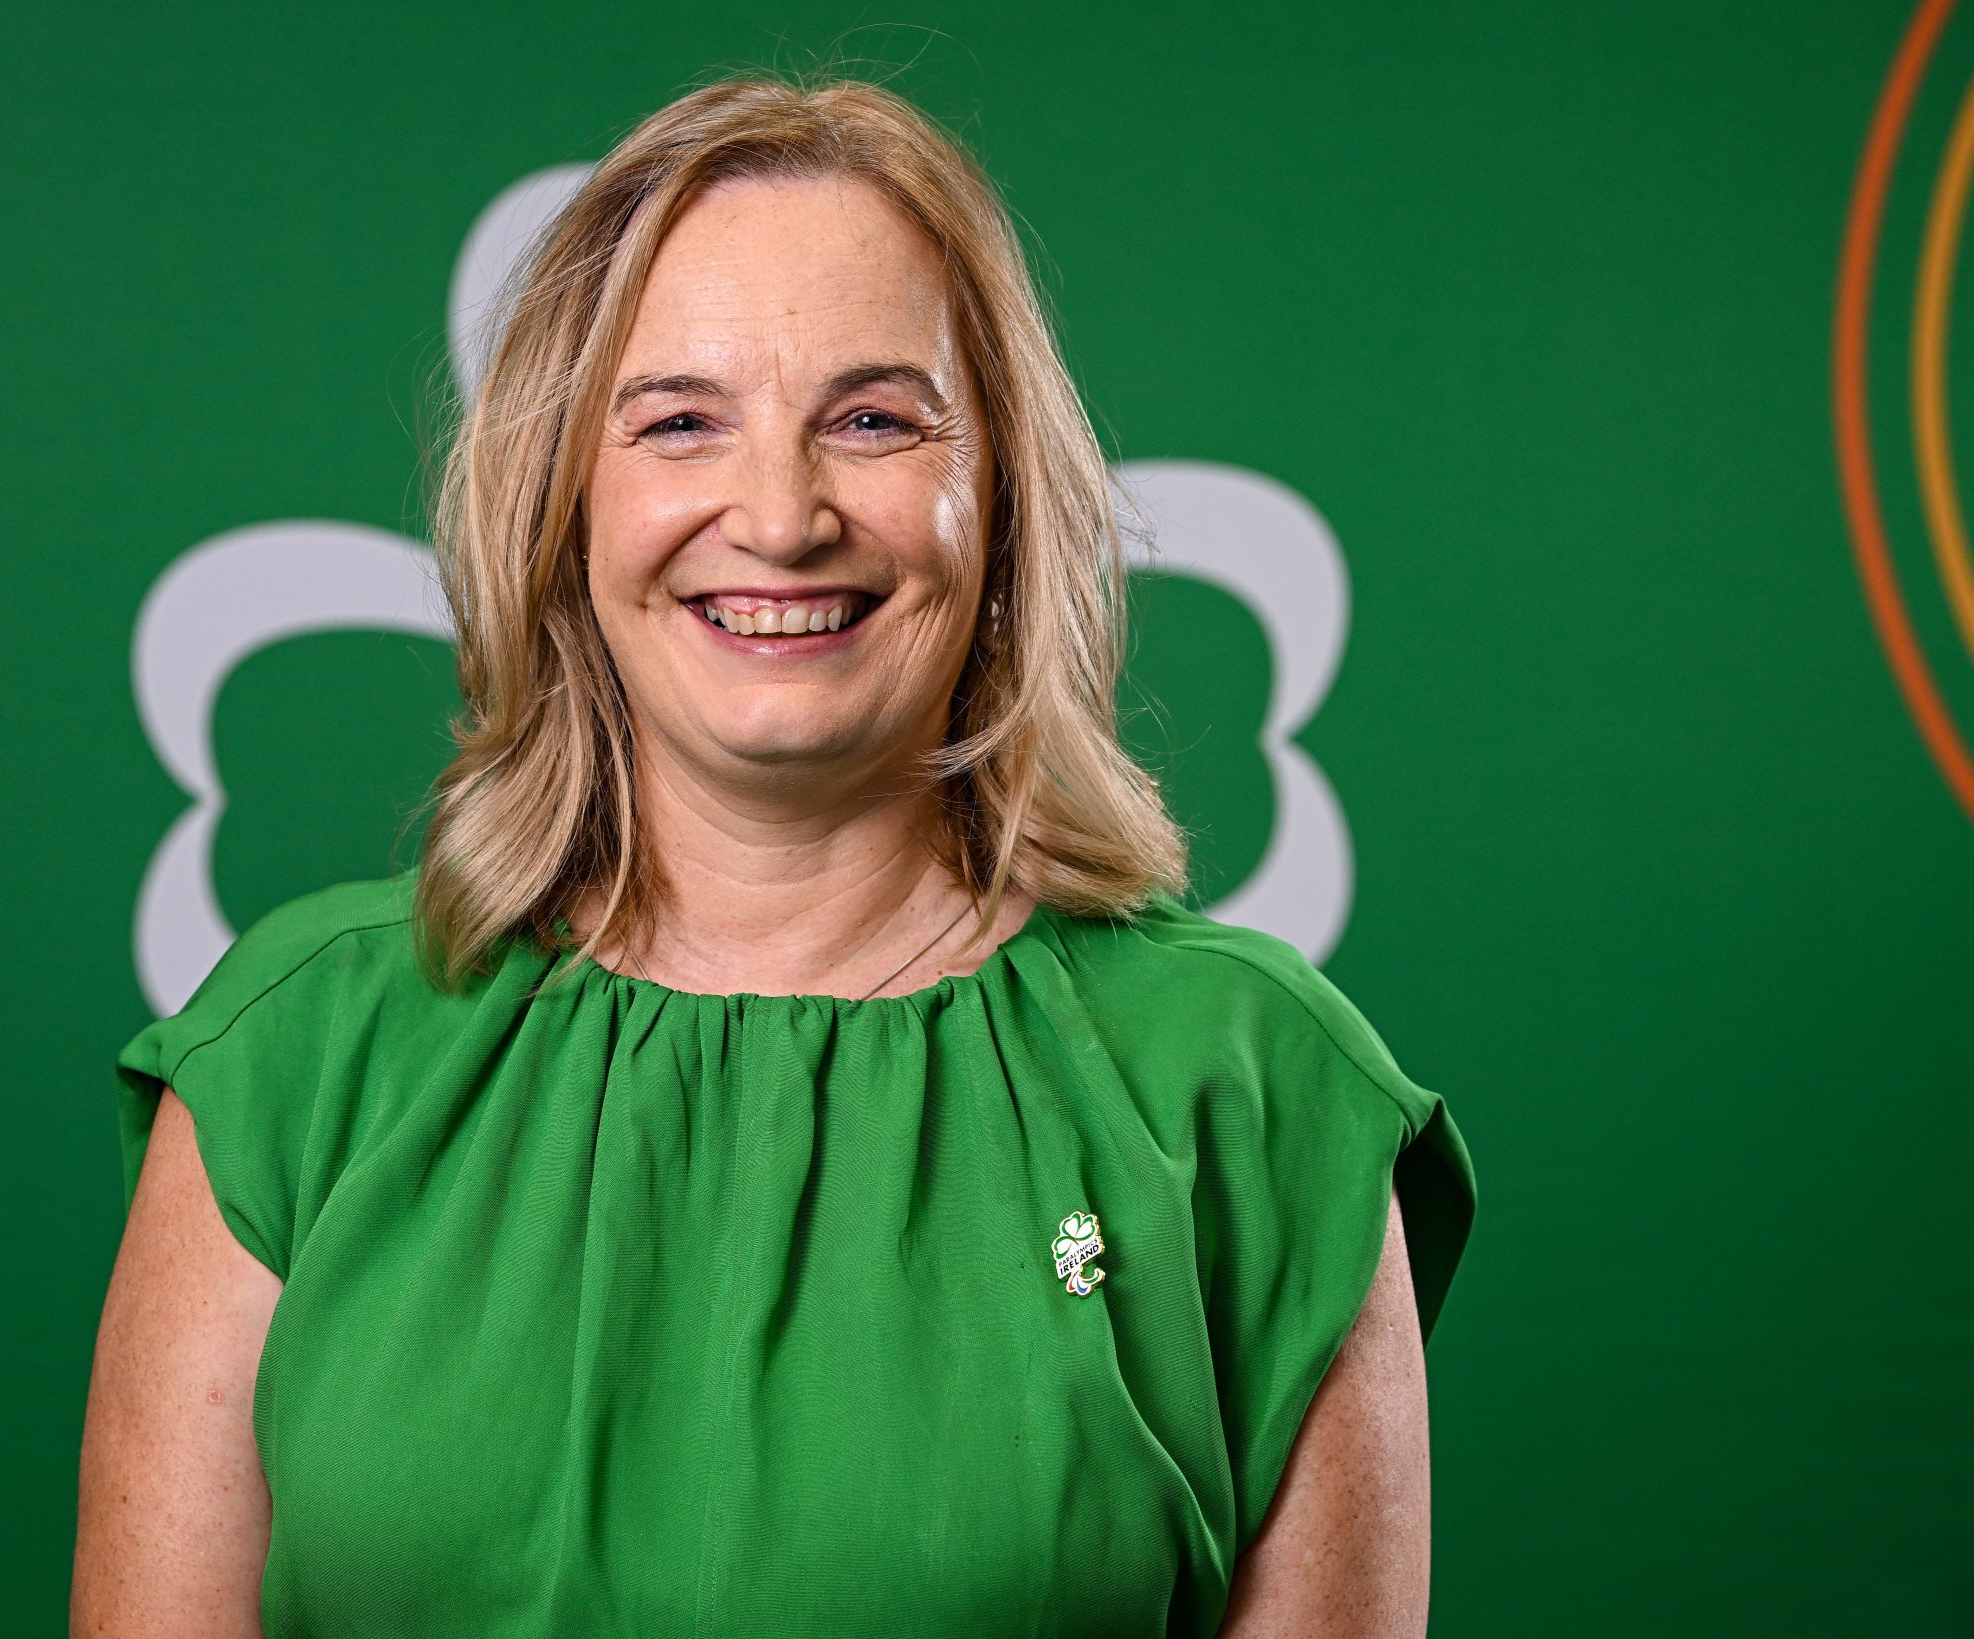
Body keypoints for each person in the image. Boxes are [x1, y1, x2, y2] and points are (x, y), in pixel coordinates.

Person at [74, 73, 1475, 1639]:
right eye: (681, 422)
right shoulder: (293, 1060)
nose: (782, 516)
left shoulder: (1259, 1091)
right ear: (565, 501)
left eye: (873, 420)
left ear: (1003, 497)